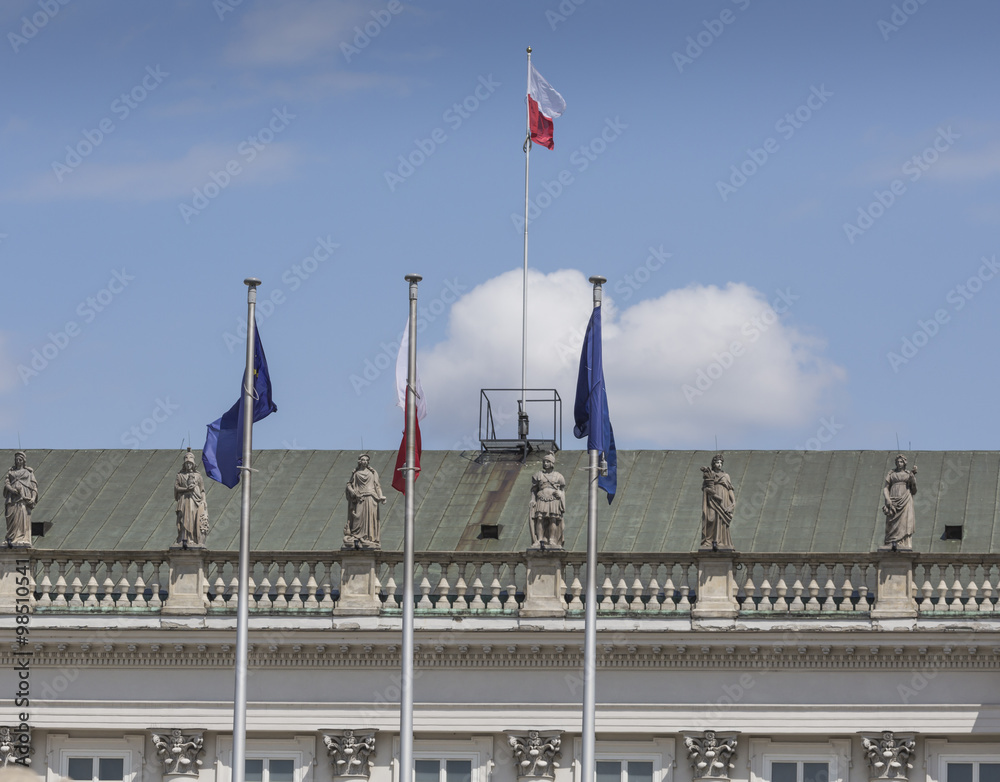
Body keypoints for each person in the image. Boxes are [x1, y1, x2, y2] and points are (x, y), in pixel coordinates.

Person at [344, 454, 386, 549]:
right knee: (358, 517)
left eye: (367, 460)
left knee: (370, 519)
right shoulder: (356, 474)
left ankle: (369, 538)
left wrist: (380, 496)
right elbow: (349, 485)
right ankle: (357, 537)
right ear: (360, 461)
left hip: (371, 498)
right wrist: (353, 492)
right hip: (360, 498)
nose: (365, 462)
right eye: (363, 460)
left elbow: (377, 486)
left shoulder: (372, 473)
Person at [529, 453, 566, 550]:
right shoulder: (538, 475)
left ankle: (552, 540)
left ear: (552, 463)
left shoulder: (559, 476)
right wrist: (533, 500)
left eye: (548, 461)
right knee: (540, 519)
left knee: (552, 519)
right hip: (541, 498)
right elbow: (534, 489)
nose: (545, 463)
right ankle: (539, 539)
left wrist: (560, 494)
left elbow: (562, 490)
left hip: (553, 499)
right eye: (544, 462)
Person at [174, 449, 208, 547]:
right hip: (184, 500)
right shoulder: (180, 475)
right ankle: (183, 538)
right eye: (186, 463)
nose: (188, 465)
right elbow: (176, 487)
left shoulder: (198, 476)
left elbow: (202, 490)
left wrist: (204, 500)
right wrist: (186, 489)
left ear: (193, 464)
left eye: (190, 463)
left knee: (193, 518)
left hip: (194, 501)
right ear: (184, 464)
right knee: (183, 518)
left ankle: (192, 538)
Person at [700, 454, 735, 550]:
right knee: (711, 518)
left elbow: (730, 489)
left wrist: (733, 503)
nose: (719, 464)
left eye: (720, 463)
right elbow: (704, 487)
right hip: (712, 499)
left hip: (724, 499)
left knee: (722, 520)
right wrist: (710, 491)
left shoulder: (726, 476)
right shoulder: (710, 475)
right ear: (713, 463)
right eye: (717, 462)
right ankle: (709, 541)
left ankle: (722, 542)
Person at [882, 454, 917, 550]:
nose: (899, 464)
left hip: (906, 500)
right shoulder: (891, 473)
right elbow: (885, 488)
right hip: (893, 500)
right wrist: (887, 499)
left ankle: (904, 543)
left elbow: (914, 490)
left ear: (904, 463)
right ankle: (891, 542)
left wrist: (912, 477)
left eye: (901, 462)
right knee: (891, 522)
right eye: (897, 462)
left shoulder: (908, 474)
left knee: (905, 521)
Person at [4, 451, 38, 548]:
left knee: (22, 517)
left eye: (20, 459)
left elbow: (34, 487)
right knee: (10, 516)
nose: (18, 461)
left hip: (23, 499)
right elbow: (6, 483)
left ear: (23, 461)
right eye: (16, 460)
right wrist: (13, 490)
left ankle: (21, 538)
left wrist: (33, 498)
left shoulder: (28, 472)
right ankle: (11, 537)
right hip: (12, 499)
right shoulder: (11, 472)